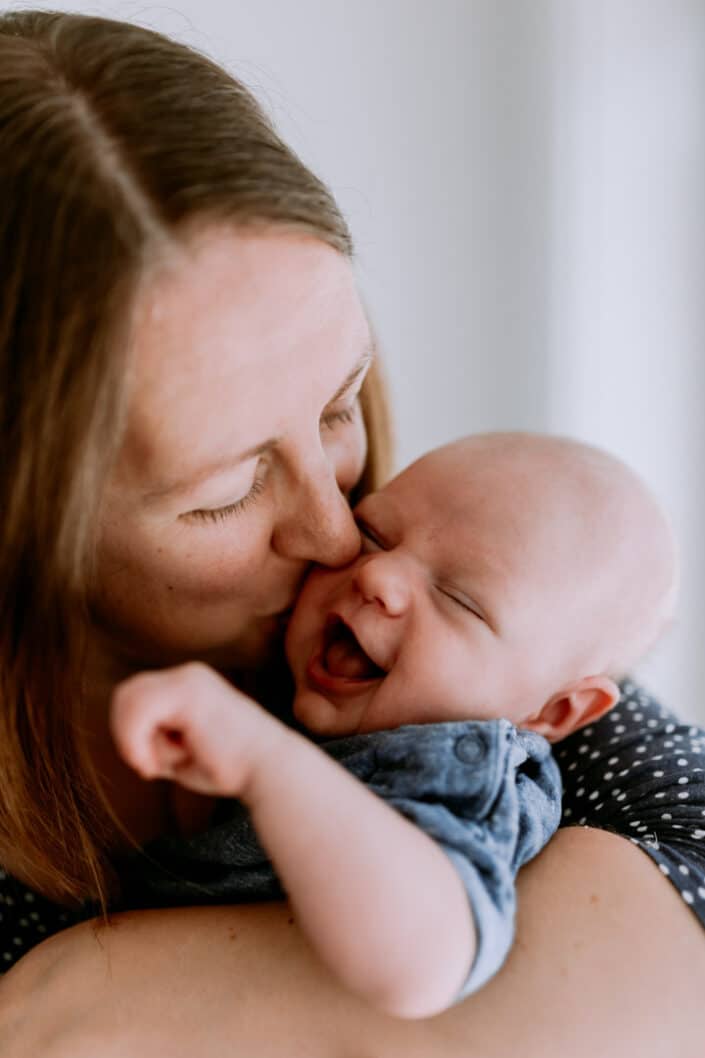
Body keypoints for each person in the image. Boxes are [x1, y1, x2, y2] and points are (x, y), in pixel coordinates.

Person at [0, 10, 703, 1057]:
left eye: (338, 405)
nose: (342, 533)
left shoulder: (464, 678)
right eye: (227, 488)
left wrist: (87, 992)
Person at [109, 432, 676, 1018]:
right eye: (373, 535)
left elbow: (421, 966)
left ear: (552, 712)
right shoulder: (291, 684)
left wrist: (265, 762)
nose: (378, 576)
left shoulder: (464, 779)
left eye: (460, 599)